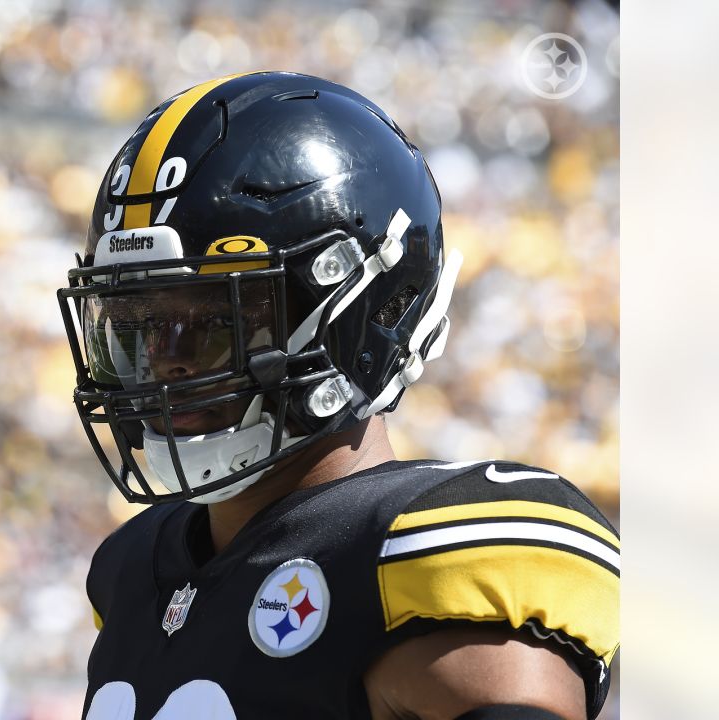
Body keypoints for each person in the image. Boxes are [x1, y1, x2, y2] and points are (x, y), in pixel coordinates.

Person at [56, 72, 618, 720]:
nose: (165, 363)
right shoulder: (132, 569)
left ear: (368, 308)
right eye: (139, 326)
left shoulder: (421, 558)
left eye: (215, 322)